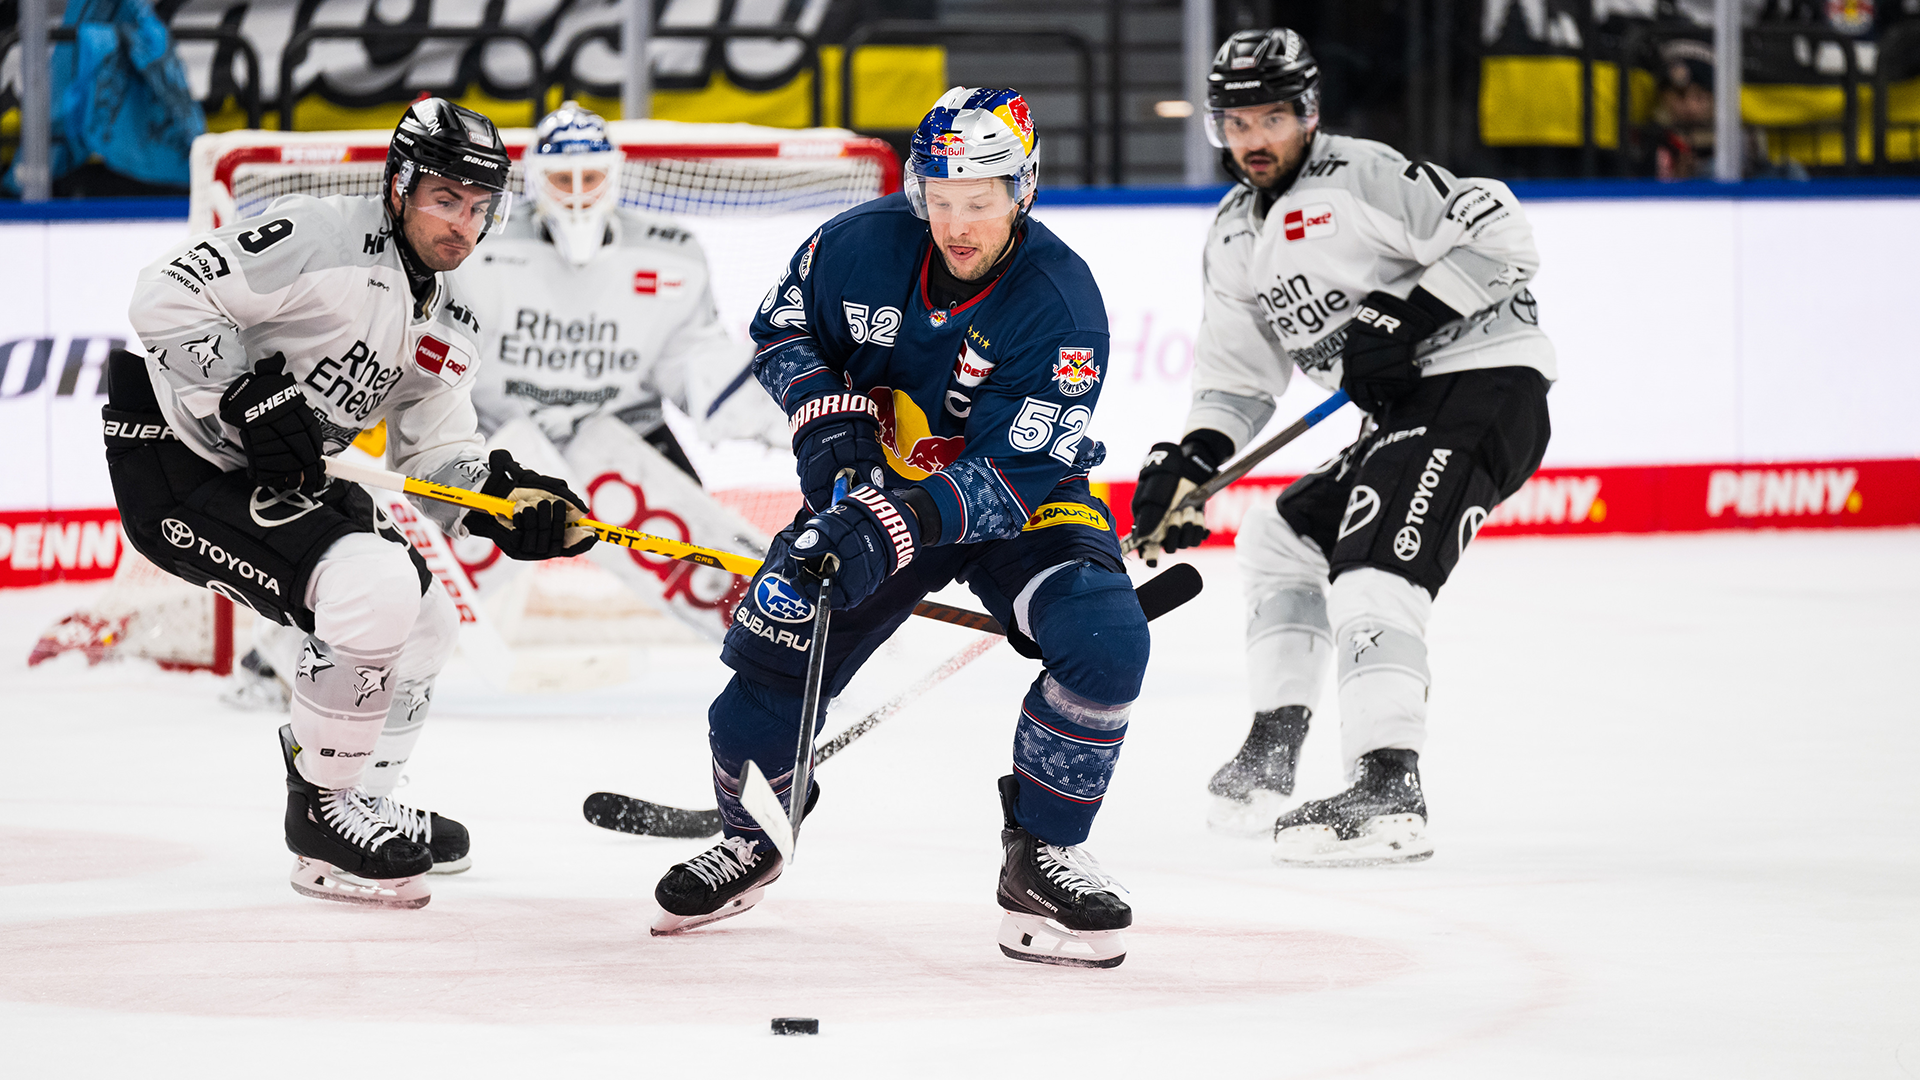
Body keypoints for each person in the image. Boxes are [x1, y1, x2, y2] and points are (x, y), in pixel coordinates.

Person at [648, 87, 1150, 969]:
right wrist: (828, 420)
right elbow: (780, 332)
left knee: (1106, 640)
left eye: (981, 201)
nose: (958, 224)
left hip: (1017, 509)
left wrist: (891, 524)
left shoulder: (1062, 305)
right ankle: (753, 835)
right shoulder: (856, 244)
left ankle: (1045, 853)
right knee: (761, 675)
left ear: (1023, 189)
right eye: (943, 199)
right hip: (868, 491)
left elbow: (1012, 473)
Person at [109, 97, 594, 907]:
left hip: (279, 476)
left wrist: (506, 499)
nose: (461, 225)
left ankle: (361, 794)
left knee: (428, 619)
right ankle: (320, 817)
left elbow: (435, 454)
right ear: (399, 187)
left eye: (479, 208)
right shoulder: (322, 235)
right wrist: (247, 394)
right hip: (176, 458)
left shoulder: (458, 311)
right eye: (445, 199)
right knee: (373, 585)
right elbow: (162, 293)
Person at [1128, 29, 1554, 866]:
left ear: (1309, 114)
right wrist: (1192, 465)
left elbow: (1501, 232)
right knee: (1282, 535)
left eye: (1272, 118)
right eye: (1236, 123)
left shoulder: (1358, 175)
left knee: (1373, 566)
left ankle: (1390, 782)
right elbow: (1238, 381)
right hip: (1406, 412)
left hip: (1482, 381)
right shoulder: (1230, 237)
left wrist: (1409, 314)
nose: (1254, 140)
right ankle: (1274, 743)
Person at [451, 101, 788, 642]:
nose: (579, 192)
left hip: (623, 433)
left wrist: (773, 412)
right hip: (499, 439)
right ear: (535, 181)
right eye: (563, 178)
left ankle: (784, 646)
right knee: (419, 562)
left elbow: (693, 364)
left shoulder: (670, 255)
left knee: (712, 570)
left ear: (616, 174)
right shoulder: (478, 249)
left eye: (592, 177)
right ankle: (319, 644)